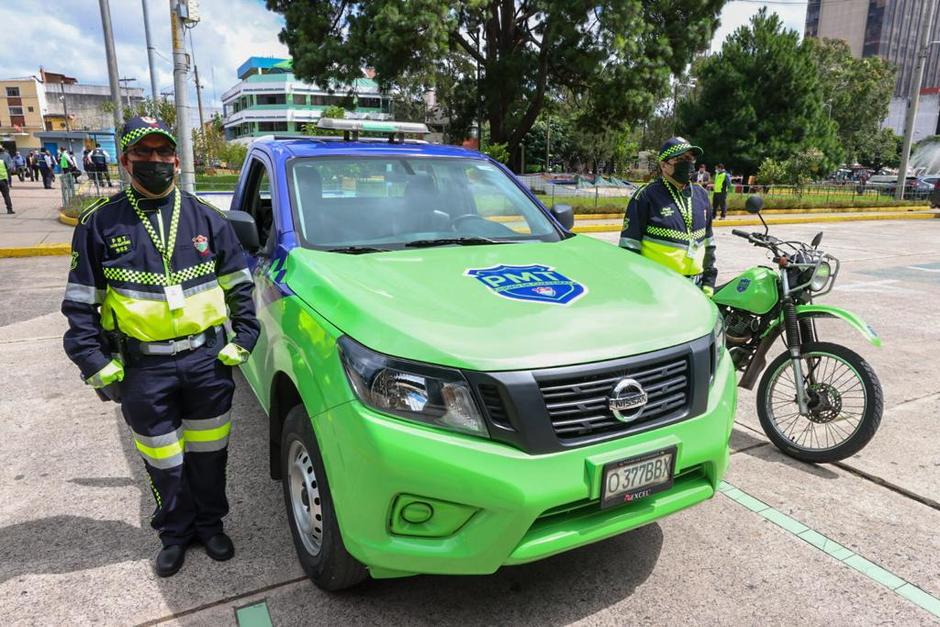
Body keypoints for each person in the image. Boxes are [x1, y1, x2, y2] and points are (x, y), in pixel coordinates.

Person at [61, 116, 260, 577]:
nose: (155, 162)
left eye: (162, 154)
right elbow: (79, 306)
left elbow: (240, 287)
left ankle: (211, 526)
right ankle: (175, 532)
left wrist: (244, 338)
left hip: (206, 361)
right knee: (163, 458)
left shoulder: (206, 218)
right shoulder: (98, 224)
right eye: (143, 154)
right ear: (125, 161)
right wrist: (94, 362)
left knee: (211, 454)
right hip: (142, 370)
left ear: (175, 158)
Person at [619, 136, 716, 296]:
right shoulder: (646, 196)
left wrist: (709, 282)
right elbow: (629, 247)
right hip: (657, 289)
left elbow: (709, 242)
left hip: (696, 289)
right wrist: (635, 288)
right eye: (682, 159)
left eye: (691, 158)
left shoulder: (702, 195)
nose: (689, 163)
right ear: (664, 165)